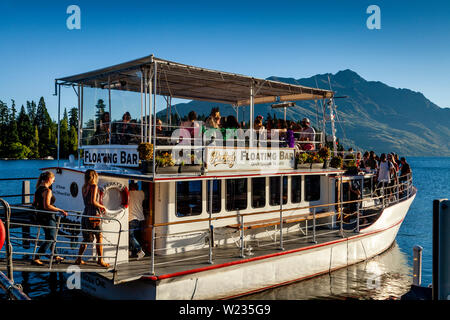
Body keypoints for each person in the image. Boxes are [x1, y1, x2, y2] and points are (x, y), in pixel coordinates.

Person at [32, 171, 68, 266]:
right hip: (48, 217)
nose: (54, 181)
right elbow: (47, 206)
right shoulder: (47, 191)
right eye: (53, 179)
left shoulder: (38, 189)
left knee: (51, 236)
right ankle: (37, 257)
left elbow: (34, 204)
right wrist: (60, 210)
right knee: (51, 238)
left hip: (41, 216)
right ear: (49, 179)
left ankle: (55, 256)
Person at [75, 169, 110, 267]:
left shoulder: (84, 187)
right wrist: (102, 207)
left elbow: (88, 202)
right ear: (94, 177)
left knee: (86, 238)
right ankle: (100, 260)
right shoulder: (94, 186)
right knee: (99, 237)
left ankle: (78, 258)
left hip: (86, 213)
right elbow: (93, 201)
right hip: (94, 214)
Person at [128, 182, 146, 259]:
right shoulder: (142, 193)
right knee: (136, 236)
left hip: (132, 218)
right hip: (140, 218)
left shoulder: (129, 193)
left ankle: (139, 251)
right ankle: (131, 251)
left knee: (130, 236)